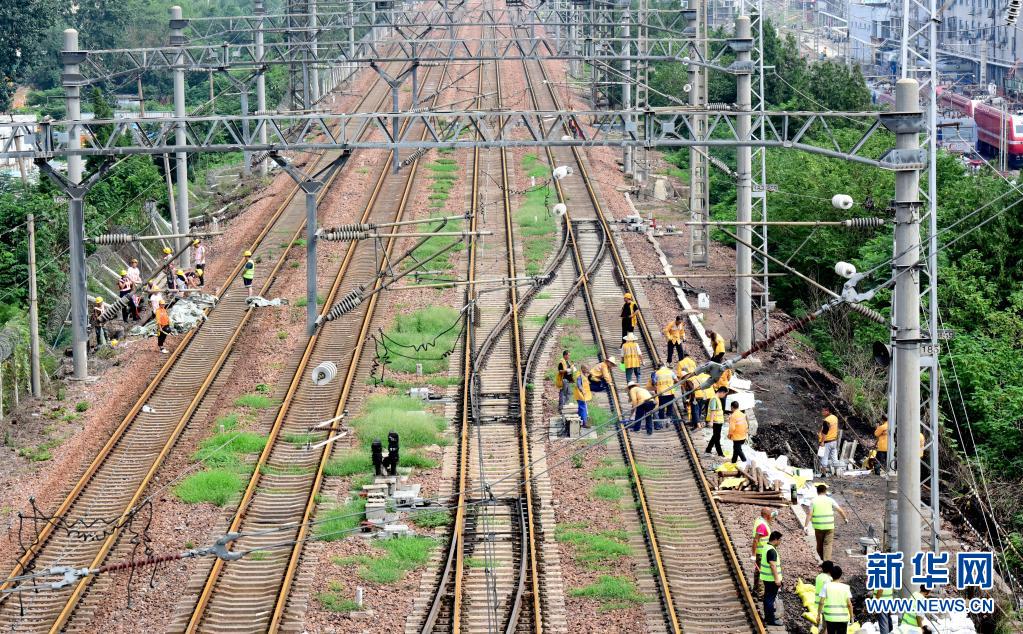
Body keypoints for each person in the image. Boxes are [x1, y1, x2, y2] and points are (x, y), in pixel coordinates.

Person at [803, 483, 849, 561]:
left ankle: (823, 560)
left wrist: (806, 526)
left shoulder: (813, 501)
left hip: (818, 527)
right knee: (827, 545)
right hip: (829, 527)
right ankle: (826, 562)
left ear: (817, 492)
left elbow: (809, 514)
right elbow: (840, 510)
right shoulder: (830, 500)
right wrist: (845, 519)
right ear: (825, 491)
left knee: (819, 546)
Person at [816, 564, 854, 634]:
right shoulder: (845, 587)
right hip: (843, 618)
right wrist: (851, 617)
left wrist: (818, 615)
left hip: (830, 617)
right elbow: (849, 604)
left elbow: (821, 602)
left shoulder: (826, 586)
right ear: (840, 575)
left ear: (830, 574)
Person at [759, 530, 784, 626]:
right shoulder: (772, 551)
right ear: (776, 540)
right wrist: (777, 579)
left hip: (766, 578)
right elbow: (773, 565)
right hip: (771, 579)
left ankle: (767, 616)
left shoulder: (766, 546)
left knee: (767, 597)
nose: (780, 542)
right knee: (770, 599)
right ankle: (771, 620)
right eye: (780, 540)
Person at [751, 507, 774, 598]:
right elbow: (756, 540)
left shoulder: (759, 520)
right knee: (762, 572)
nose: (770, 516)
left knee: (758, 571)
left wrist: (773, 515)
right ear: (766, 515)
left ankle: (755, 590)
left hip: (762, 552)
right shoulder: (762, 525)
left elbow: (768, 520)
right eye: (770, 514)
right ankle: (761, 594)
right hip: (762, 552)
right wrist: (753, 554)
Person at [653, 363, 679, 429]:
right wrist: (672, 385)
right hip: (670, 392)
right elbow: (677, 380)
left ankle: (661, 422)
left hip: (661, 393)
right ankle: (668, 421)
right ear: (665, 366)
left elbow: (654, 382)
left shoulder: (657, 373)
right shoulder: (670, 372)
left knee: (661, 407)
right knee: (670, 406)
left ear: (659, 367)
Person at [705, 386, 726, 456]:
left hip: (718, 421)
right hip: (715, 421)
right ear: (722, 392)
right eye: (724, 394)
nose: (724, 396)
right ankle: (720, 453)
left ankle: (708, 450)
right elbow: (713, 410)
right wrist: (711, 421)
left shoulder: (717, 399)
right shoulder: (714, 399)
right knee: (717, 438)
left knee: (715, 436)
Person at [818, 407, 840, 476]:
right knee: (834, 457)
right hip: (834, 441)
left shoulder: (827, 420)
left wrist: (822, 442)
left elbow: (825, 432)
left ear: (827, 411)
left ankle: (823, 473)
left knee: (824, 457)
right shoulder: (835, 418)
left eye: (823, 411)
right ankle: (837, 472)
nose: (822, 413)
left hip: (827, 441)